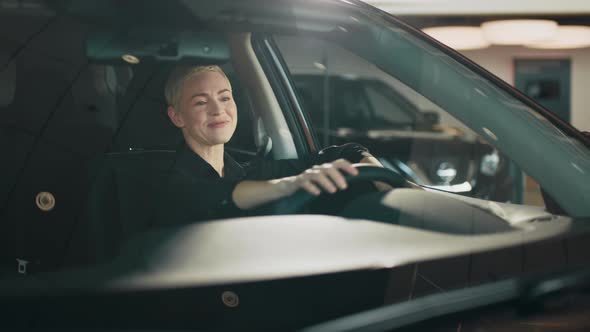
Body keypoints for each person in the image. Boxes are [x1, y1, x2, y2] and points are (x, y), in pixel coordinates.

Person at [154, 65, 386, 226]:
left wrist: (387, 181)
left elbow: (347, 152)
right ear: (177, 117)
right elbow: (212, 195)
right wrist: (290, 185)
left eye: (225, 98)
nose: (218, 110)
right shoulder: (167, 182)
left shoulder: (250, 171)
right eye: (201, 102)